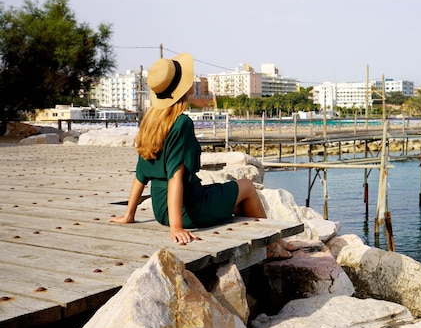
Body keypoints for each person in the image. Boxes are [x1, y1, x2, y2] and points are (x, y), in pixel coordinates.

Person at [109, 53, 293, 259]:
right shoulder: (181, 123)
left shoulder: (150, 122)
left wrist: (129, 214)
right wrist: (176, 228)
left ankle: (275, 244)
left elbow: (140, 175)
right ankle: (273, 245)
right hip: (187, 208)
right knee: (247, 187)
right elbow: (175, 177)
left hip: (161, 211)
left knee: (240, 202)